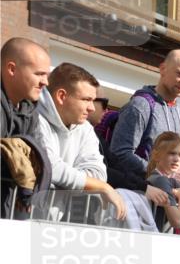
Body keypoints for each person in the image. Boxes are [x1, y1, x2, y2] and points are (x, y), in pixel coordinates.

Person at [34, 62, 126, 222]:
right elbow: (49, 166)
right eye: (86, 99)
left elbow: (99, 174)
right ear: (61, 96)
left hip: (50, 224)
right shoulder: (34, 118)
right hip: (16, 221)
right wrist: (99, 187)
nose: (91, 108)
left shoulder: (85, 128)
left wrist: (66, 180)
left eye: (93, 100)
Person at [108, 49, 180, 191]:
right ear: (162, 69)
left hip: (171, 203)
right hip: (140, 196)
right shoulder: (140, 105)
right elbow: (119, 154)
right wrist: (165, 173)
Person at [1, 37, 49, 139]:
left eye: (46, 75)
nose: (45, 82)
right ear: (12, 69)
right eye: (39, 74)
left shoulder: (30, 112)